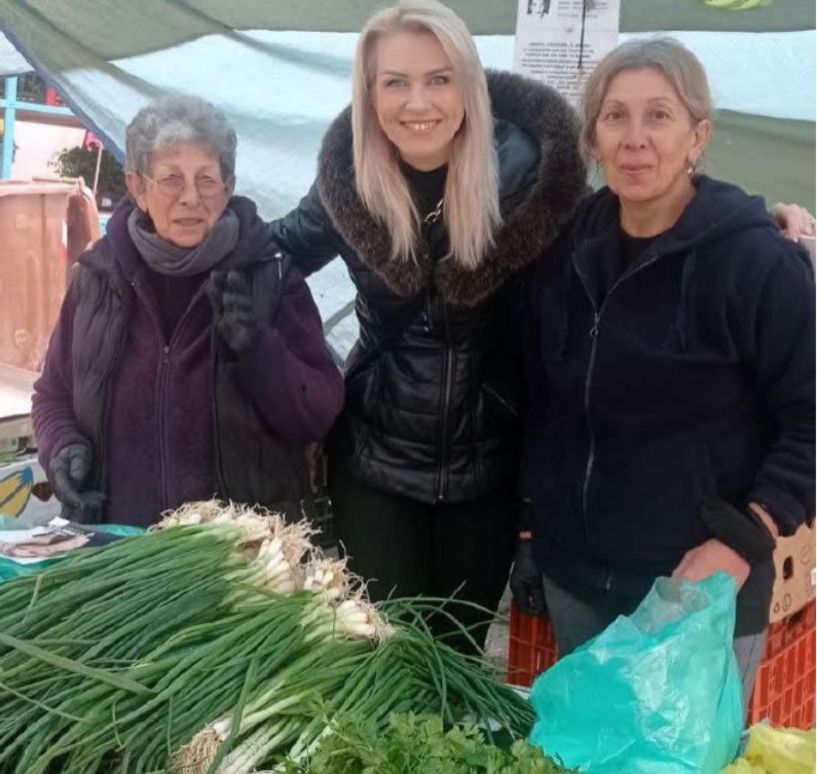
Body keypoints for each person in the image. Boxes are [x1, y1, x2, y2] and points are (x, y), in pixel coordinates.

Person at [269, 0, 586, 647]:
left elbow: (614, 241)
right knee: (383, 657)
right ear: (369, 93)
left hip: (488, 472)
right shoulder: (351, 177)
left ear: (467, 84)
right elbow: (270, 254)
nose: (418, 102)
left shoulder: (525, 172)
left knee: (454, 664)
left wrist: (754, 226)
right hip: (376, 464)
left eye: (438, 78)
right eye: (396, 82)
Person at [510, 37, 815, 707]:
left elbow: (808, 420)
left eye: (658, 116)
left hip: (696, 584)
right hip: (576, 576)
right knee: (589, 744)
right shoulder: (563, 250)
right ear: (592, 134)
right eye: (614, 116)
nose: (634, 139)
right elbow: (542, 398)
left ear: (696, 135)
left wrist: (742, 541)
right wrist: (535, 519)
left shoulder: (756, 263)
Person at [32, 95, 344, 528]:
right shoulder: (97, 277)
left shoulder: (269, 276)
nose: (191, 198)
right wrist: (61, 446)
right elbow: (52, 393)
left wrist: (258, 348)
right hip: (117, 550)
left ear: (229, 186)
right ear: (138, 187)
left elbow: (319, 413)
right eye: (172, 180)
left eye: (207, 180)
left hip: (239, 560)